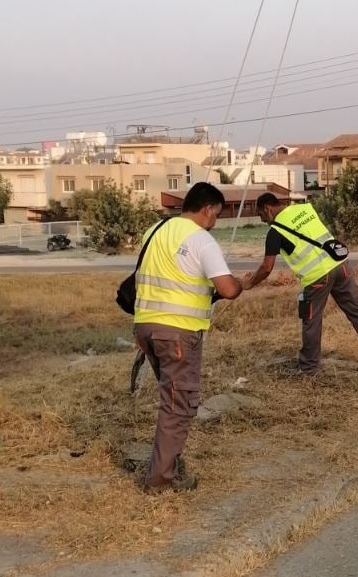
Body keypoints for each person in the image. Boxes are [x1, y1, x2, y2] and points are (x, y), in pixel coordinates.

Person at [134, 182, 243, 494]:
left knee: (172, 401)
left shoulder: (154, 230)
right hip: (178, 334)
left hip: (146, 328)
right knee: (177, 406)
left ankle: (170, 465)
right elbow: (226, 288)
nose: (215, 222)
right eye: (216, 215)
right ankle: (160, 480)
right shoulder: (201, 240)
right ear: (207, 209)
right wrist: (240, 285)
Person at [242, 193, 358, 376]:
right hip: (340, 265)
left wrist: (249, 283)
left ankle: (308, 369)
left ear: (267, 209)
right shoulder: (304, 209)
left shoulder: (275, 231)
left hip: (317, 278)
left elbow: (267, 268)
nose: (263, 220)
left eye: (261, 216)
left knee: (311, 321)